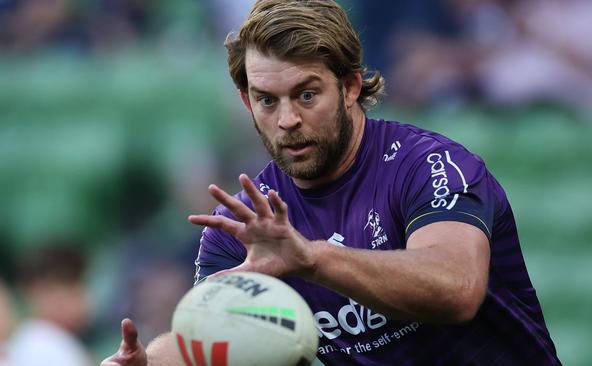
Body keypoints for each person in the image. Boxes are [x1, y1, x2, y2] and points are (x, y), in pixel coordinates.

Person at [101, 0, 560, 365]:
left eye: (306, 94)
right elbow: (212, 331)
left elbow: (456, 288)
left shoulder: (430, 166)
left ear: (351, 86)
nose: (287, 120)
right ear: (246, 100)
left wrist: (313, 259)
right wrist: (150, 362)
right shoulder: (246, 222)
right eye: (266, 100)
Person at [8, 244, 93, 366]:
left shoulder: (48, 340)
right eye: (72, 288)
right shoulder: (44, 346)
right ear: (38, 290)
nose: (85, 297)